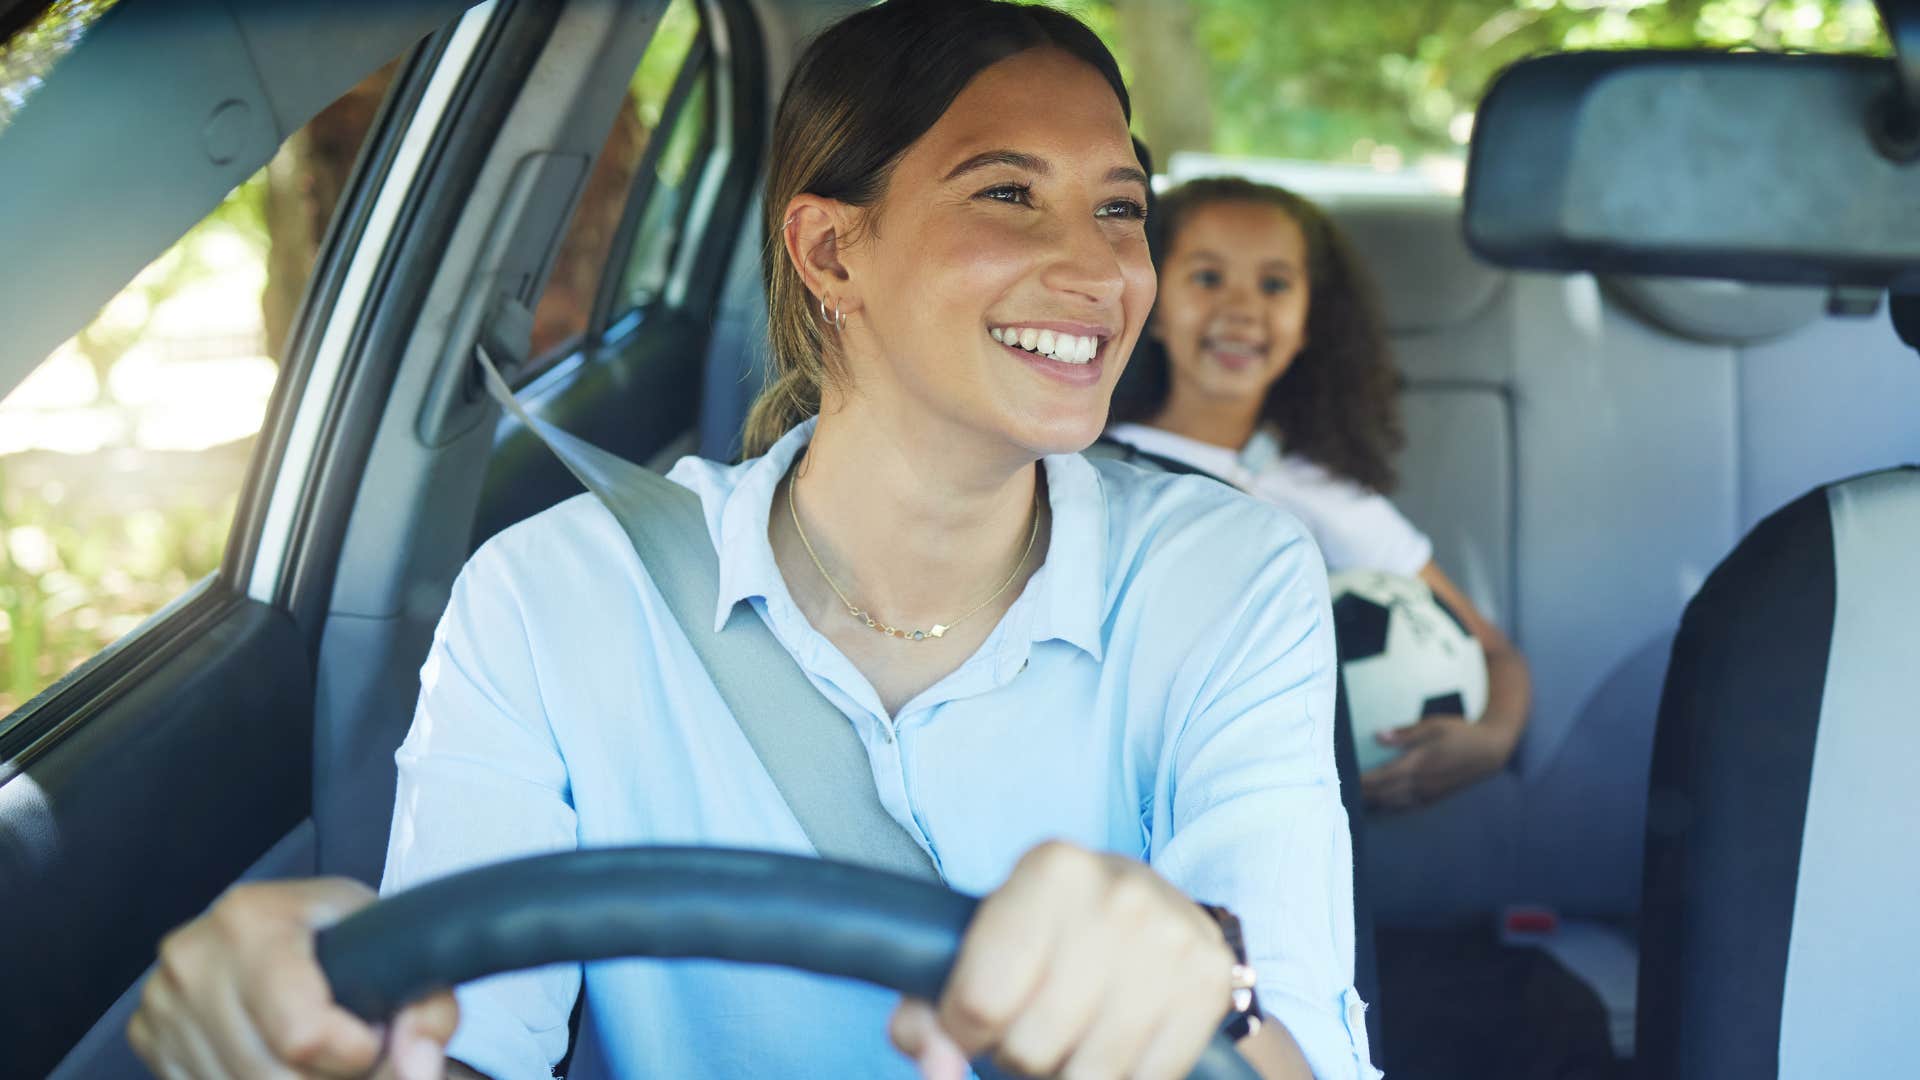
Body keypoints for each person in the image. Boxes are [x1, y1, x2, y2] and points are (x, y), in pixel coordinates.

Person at [126, 5, 1377, 1079]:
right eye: (1009, 194)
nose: (1101, 268)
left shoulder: (1229, 573)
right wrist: (309, 1040)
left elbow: (1304, 1049)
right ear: (833, 249)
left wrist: (1212, 985)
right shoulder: (548, 599)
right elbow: (460, 1047)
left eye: (1121, 207)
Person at [1106, 177, 1532, 813]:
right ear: (1153, 303)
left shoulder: (1320, 493)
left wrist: (1492, 741)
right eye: (1207, 278)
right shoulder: (1084, 459)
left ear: (1310, 322)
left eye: (1274, 284)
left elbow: (1493, 651)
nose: (1241, 308)